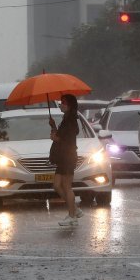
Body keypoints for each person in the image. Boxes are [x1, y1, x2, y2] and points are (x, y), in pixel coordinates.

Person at [49, 94, 83, 226]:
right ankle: (74, 209)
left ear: (70, 105)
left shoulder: (71, 120)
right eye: (60, 102)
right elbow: (59, 135)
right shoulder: (66, 119)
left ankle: (72, 215)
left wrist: (56, 138)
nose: (61, 104)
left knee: (67, 186)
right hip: (62, 157)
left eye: (63, 102)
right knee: (57, 185)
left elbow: (67, 139)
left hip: (68, 156)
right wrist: (53, 126)